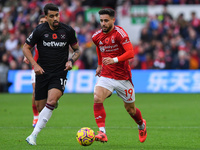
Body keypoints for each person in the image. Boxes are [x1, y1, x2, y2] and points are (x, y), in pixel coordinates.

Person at [23, 3, 81, 145]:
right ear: (46, 17)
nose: (55, 18)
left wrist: (71, 61)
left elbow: (77, 50)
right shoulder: (39, 30)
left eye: (57, 15)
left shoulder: (67, 30)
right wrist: (34, 64)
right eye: (52, 16)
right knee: (40, 108)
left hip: (59, 73)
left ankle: (33, 135)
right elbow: (25, 47)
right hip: (42, 72)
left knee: (52, 101)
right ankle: (52, 101)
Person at [92, 8, 147, 143]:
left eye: (106, 20)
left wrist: (114, 59)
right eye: (101, 21)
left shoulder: (120, 33)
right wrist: (100, 65)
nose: (103, 23)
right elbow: (99, 48)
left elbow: (130, 53)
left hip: (123, 78)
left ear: (113, 20)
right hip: (106, 75)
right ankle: (102, 132)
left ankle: (141, 125)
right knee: (97, 97)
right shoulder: (96, 36)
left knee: (131, 110)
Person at [23, 15, 47, 128]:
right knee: (35, 91)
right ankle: (36, 116)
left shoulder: (52, 34)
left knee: (49, 93)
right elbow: (28, 46)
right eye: (40, 21)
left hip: (50, 67)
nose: (42, 23)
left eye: (44, 21)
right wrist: (27, 56)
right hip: (36, 66)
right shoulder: (36, 33)